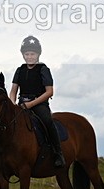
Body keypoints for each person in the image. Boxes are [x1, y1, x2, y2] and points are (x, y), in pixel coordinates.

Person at [9, 35, 65, 168]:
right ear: (23, 55)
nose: (30, 57)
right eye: (27, 54)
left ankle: (58, 152)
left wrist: (31, 104)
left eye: (32, 54)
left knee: (47, 121)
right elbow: (13, 91)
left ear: (38, 54)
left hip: (39, 104)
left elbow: (49, 92)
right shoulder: (20, 70)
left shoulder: (43, 69)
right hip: (21, 104)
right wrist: (12, 104)